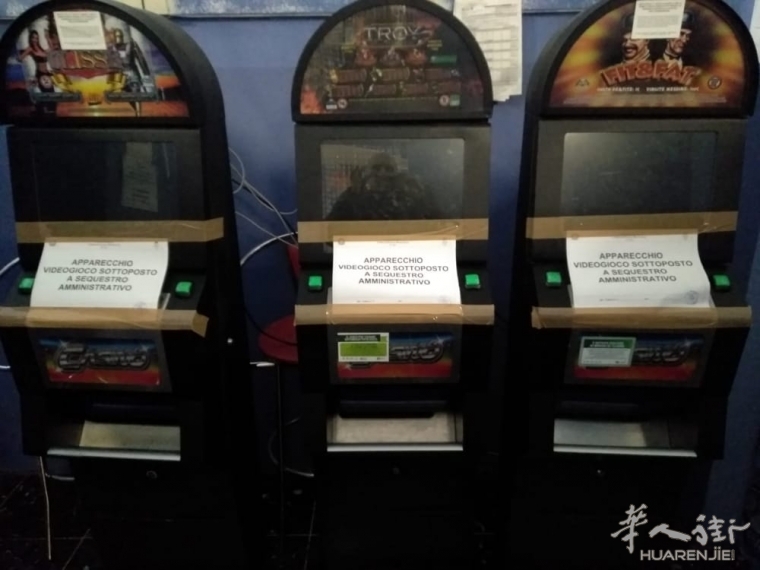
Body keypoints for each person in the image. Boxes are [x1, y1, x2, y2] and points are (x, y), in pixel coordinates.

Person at [326, 153, 443, 221]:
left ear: (398, 174)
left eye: (389, 169)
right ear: (367, 172)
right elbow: (329, 235)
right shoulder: (355, 198)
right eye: (376, 168)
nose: (382, 173)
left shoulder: (409, 201)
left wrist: (421, 194)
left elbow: (441, 225)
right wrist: (353, 192)